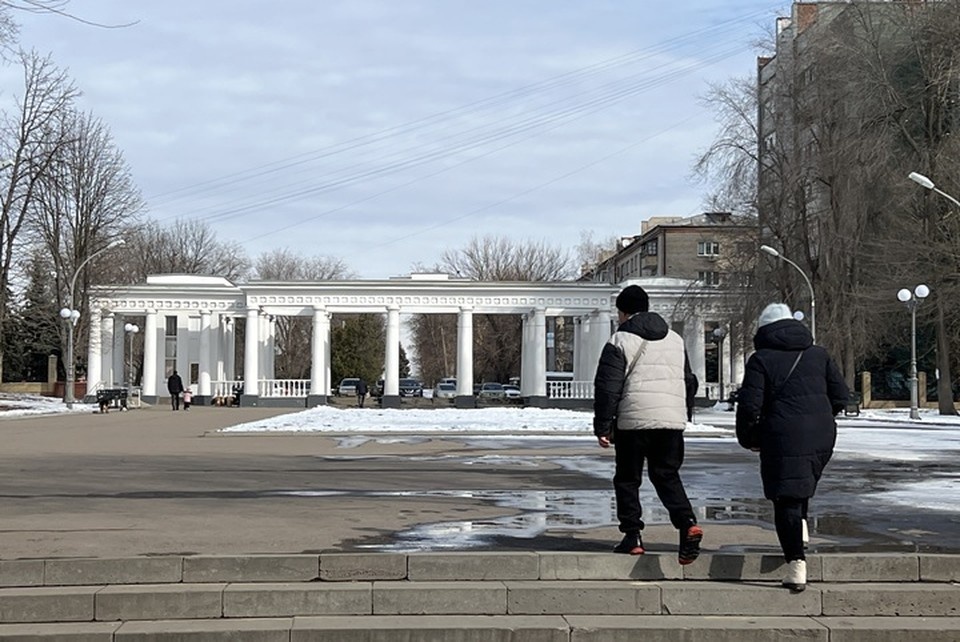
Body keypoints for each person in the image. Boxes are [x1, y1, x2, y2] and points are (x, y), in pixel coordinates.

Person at [735, 303, 848, 592]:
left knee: (786, 497)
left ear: (764, 330)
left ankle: (796, 563)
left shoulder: (761, 360)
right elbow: (841, 396)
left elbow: (750, 406)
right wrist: (819, 418)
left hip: (782, 433)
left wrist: (750, 438)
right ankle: (801, 529)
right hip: (822, 435)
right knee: (799, 484)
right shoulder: (818, 355)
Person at [593, 284, 703, 564]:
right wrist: (682, 412)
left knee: (628, 479)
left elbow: (608, 387)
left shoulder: (619, 340)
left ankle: (632, 536)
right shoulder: (676, 340)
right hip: (670, 423)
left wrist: (603, 426)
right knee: (666, 475)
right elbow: (689, 380)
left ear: (622, 312)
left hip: (634, 422)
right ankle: (687, 523)